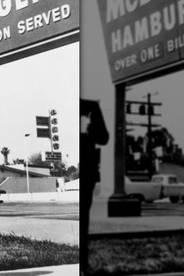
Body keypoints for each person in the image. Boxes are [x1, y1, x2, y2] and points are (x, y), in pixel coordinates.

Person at [79, 99, 109, 276]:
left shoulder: (90, 107)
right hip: (67, 167)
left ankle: (83, 265)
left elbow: (104, 138)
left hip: (87, 170)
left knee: (83, 219)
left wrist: (89, 129)